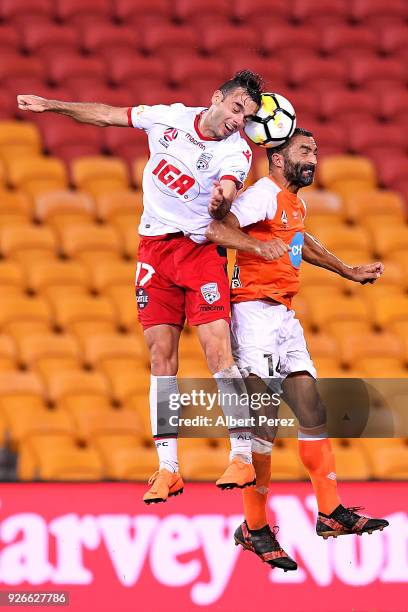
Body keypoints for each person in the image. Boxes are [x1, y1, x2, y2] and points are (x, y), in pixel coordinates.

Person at [17, 70, 264, 504]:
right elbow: (107, 114)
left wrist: (221, 200)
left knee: (217, 353)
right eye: (236, 108)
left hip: (200, 251)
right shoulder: (167, 118)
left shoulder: (236, 151)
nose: (238, 120)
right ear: (216, 98)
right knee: (160, 358)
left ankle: (241, 454)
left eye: (246, 116)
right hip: (153, 251)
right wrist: (53, 105)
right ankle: (169, 468)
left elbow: (227, 184)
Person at [205, 128, 389, 571]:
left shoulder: (295, 202)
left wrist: (347, 270)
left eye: (316, 151)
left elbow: (299, 244)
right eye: (304, 151)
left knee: (312, 410)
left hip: (284, 316)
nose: (313, 158)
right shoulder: (262, 194)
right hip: (253, 316)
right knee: (263, 423)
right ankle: (255, 527)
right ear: (278, 159)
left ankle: (329, 513)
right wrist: (254, 246)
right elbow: (217, 226)